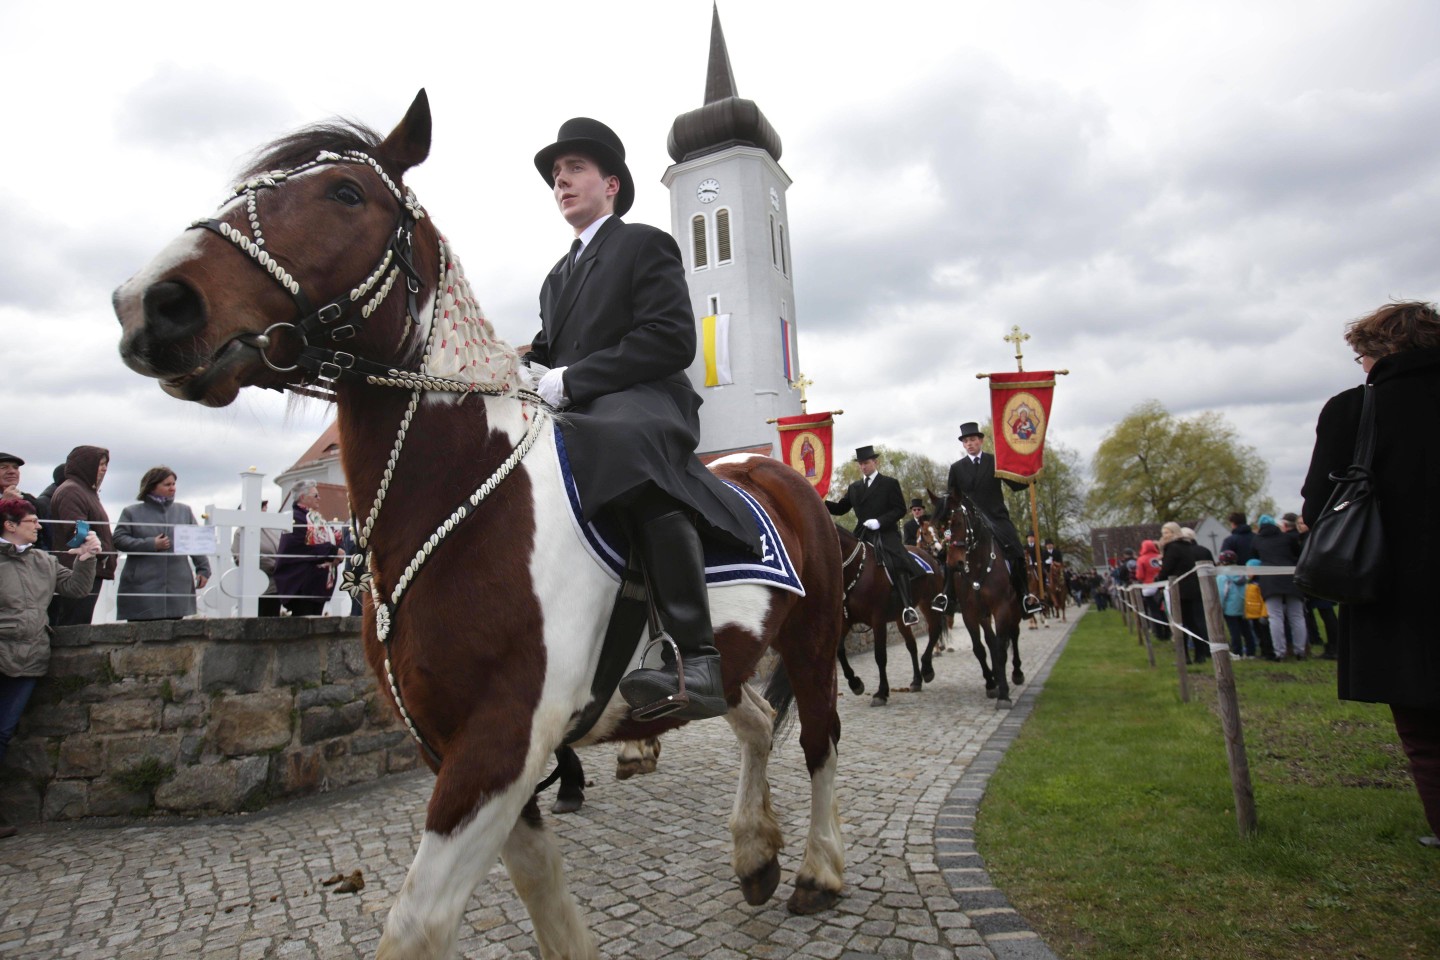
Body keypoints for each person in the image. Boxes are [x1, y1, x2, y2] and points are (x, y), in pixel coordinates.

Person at [523, 118, 758, 722]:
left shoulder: (644, 244)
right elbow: (552, 348)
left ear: (612, 184)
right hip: (584, 405)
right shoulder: (555, 277)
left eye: (574, 170)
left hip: (645, 398)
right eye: (556, 175)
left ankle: (697, 656)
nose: (561, 183)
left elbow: (671, 339)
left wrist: (572, 379)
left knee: (626, 445)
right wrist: (513, 364)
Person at [1302, 299, 1440, 850]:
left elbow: (1320, 507)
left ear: (1379, 353)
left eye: (1360, 355)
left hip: (1395, 585)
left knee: (1425, 732)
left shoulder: (1355, 410)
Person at [0, 497, 101, 838]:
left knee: (3, 732)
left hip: (29, 658)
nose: (39, 525)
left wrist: (86, 559)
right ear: (9, 525)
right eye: (31, 520)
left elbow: (75, 589)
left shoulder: (41, 560)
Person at [934, 421, 1042, 616]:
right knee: (949, 552)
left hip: (996, 517)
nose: (969, 444)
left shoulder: (995, 461)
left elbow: (1015, 484)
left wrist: (1030, 475)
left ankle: (1024, 595)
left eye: (973, 440)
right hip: (967, 521)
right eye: (966, 441)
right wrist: (947, 532)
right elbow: (951, 499)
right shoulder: (956, 468)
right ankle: (947, 596)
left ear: (981, 441)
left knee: (1016, 549)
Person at [827, 446, 921, 626]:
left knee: (898, 560)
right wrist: (819, 499)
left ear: (875, 462)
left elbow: (900, 509)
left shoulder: (889, 483)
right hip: (863, 532)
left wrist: (880, 521)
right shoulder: (854, 487)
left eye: (866, 463)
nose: (863, 467)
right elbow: (840, 509)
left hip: (885, 531)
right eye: (860, 464)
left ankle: (908, 606)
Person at [112, 467, 211, 621]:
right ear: (152, 486)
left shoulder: (184, 511)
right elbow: (119, 540)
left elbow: (195, 543)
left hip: (177, 585)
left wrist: (204, 569)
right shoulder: (131, 512)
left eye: (174, 484)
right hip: (142, 587)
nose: (173, 488)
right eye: (167, 484)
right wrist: (151, 544)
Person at [46, 446, 116, 626]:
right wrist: (100, 552)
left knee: (80, 623)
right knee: (73, 626)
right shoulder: (72, 490)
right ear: (86, 465)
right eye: (100, 464)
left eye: (106, 464)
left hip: (90, 568)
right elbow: (76, 529)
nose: (104, 469)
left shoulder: (85, 491)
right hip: (78, 569)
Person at [273, 481, 343, 617]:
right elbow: (297, 548)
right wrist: (332, 552)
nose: (319, 499)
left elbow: (333, 537)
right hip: (302, 585)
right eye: (316, 495)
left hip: (318, 586)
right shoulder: (295, 519)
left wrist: (336, 555)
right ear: (303, 497)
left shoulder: (316, 519)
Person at [1248, 513, 1307, 659]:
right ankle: (1300, 651)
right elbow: (1297, 553)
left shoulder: (1257, 540)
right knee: (1297, 615)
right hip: (1291, 577)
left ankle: (1279, 652)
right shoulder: (1287, 537)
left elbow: (1254, 557)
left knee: (1275, 617)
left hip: (1270, 579)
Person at [1159, 522, 1212, 663]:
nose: (1164, 536)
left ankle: (1185, 656)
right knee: (1192, 622)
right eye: (1163, 533)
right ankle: (1199, 654)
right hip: (1191, 588)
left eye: (1167, 533)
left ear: (1174, 533)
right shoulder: (1187, 546)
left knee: (1180, 623)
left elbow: (1167, 568)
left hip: (1179, 589)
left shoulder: (1172, 548)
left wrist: (1159, 580)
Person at [230, 500, 282, 617]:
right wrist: (273, 565)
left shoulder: (270, 530)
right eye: (262, 508)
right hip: (257, 588)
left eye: (265, 508)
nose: (265, 510)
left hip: (275, 587)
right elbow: (240, 557)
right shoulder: (240, 532)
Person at [0, 454, 50, 551]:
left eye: (16, 468)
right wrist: (3, 503)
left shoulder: (31, 501)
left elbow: (45, 536)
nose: (12, 471)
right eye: (3, 467)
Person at [1216, 549, 1255, 658]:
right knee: (1246, 630)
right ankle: (1251, 652)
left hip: (1229, 607)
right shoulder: (1241, 573)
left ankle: (1237, 652)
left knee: (1234, 632)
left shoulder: (1222, 576)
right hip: (1242, 606)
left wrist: (1220, 607)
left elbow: (1222, 592)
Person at [1134, 538, 1168, 639]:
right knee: (1163, 610)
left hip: (1149, 586)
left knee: (1154, 611)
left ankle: (1159, 633)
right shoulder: (1159, 557)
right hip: (1161, 585)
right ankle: (1167, 631)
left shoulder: (1141, 559)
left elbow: (1140, 575)